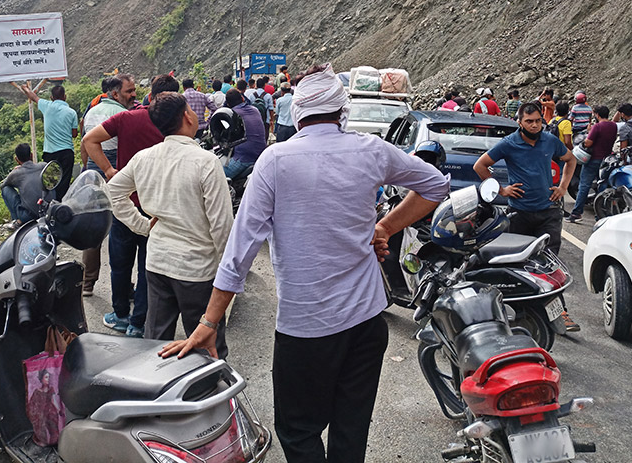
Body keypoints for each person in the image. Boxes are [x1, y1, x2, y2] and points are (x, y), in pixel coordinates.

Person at [160, 64, 449, 463]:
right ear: (340, 110)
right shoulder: (371, 150)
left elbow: (240, 250)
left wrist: (209, 322)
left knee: (298, 431)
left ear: (296, 112)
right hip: (366, 324)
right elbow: (436, 184)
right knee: (350, 432)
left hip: (305, 330)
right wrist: (384, 226)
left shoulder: (276, 161)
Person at [108, 92, 234, 356]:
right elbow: (222, 227)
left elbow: (113, 191)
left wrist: (142, 225)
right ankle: (211, 391)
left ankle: (158, 391)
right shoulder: (206, 162)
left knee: (157, 345)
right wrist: (228, 273)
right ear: (188, 116)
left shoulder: (144, 158)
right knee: (205, 345)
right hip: (197, 270)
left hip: (157, 264)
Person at [81, 74, 181, 337]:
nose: (134, 95)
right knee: (149, 268)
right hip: (156, 208)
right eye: (131, 90)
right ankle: (139, 323)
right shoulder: (176, 127)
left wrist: (110, 171)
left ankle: (121, 315)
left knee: (120, 264)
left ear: (151, 94)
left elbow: (88, 140)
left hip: (125, 205)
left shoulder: (127, 119)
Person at [472, 101, 579, 331]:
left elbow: (571, 160)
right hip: (519, 214)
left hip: (548, 213)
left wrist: (562, 188)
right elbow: (480, 166)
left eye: (538, 120)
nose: (534, 125)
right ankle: (520, 313)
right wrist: (502, 190)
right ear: (519, 122)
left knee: (549, 265)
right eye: (529, 121)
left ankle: (560, 314)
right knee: (517, 266)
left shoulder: (550, 140)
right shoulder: (509, 143)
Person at [79, 74, 134, 296]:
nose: (133, 95)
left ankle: (87, 283)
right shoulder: (122, 114)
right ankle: (123, 286)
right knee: (121, 230)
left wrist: (88, 170)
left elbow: (85, 145)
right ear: (115, 94)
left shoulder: (91, 112)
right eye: (129, 91)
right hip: (116, 172)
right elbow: (127, 149)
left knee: (94, 228)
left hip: (93, 171)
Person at [18, 83, 78, 200]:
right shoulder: (72, 112)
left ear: (51, 97)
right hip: (66, 152)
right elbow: (74, 134)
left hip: (50, 153)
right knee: (64, 183)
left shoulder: (47, 106)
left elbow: (33, 96)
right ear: (64, 97)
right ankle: (62, 206)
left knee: (50, 183)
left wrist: (25, 88)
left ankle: (51, 206)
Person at [569, 105, 617, 222]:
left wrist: (588, 134)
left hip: (593, 159)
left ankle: (576, 213)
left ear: (597, 115)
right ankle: (600, 214)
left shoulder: (597, 127)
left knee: (584, 185)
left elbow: (588, 142)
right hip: (607, 159)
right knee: (603, 185)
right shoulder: (613, 126)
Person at [222, 88, 266, 179]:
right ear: (242, 98)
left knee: (218, 176)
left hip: (244, 158)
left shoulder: (232, 115)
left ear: (229, 104)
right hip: (261, 154)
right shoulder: (255, 110)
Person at [0, 143, 47, 225]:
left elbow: (2, 185)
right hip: (48, 209)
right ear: (31, 155)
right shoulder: (44, 166)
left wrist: (14, 172)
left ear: (17, 160)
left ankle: (17, 221)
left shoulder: (16, 173)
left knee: (5, 189)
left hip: (28, 216)